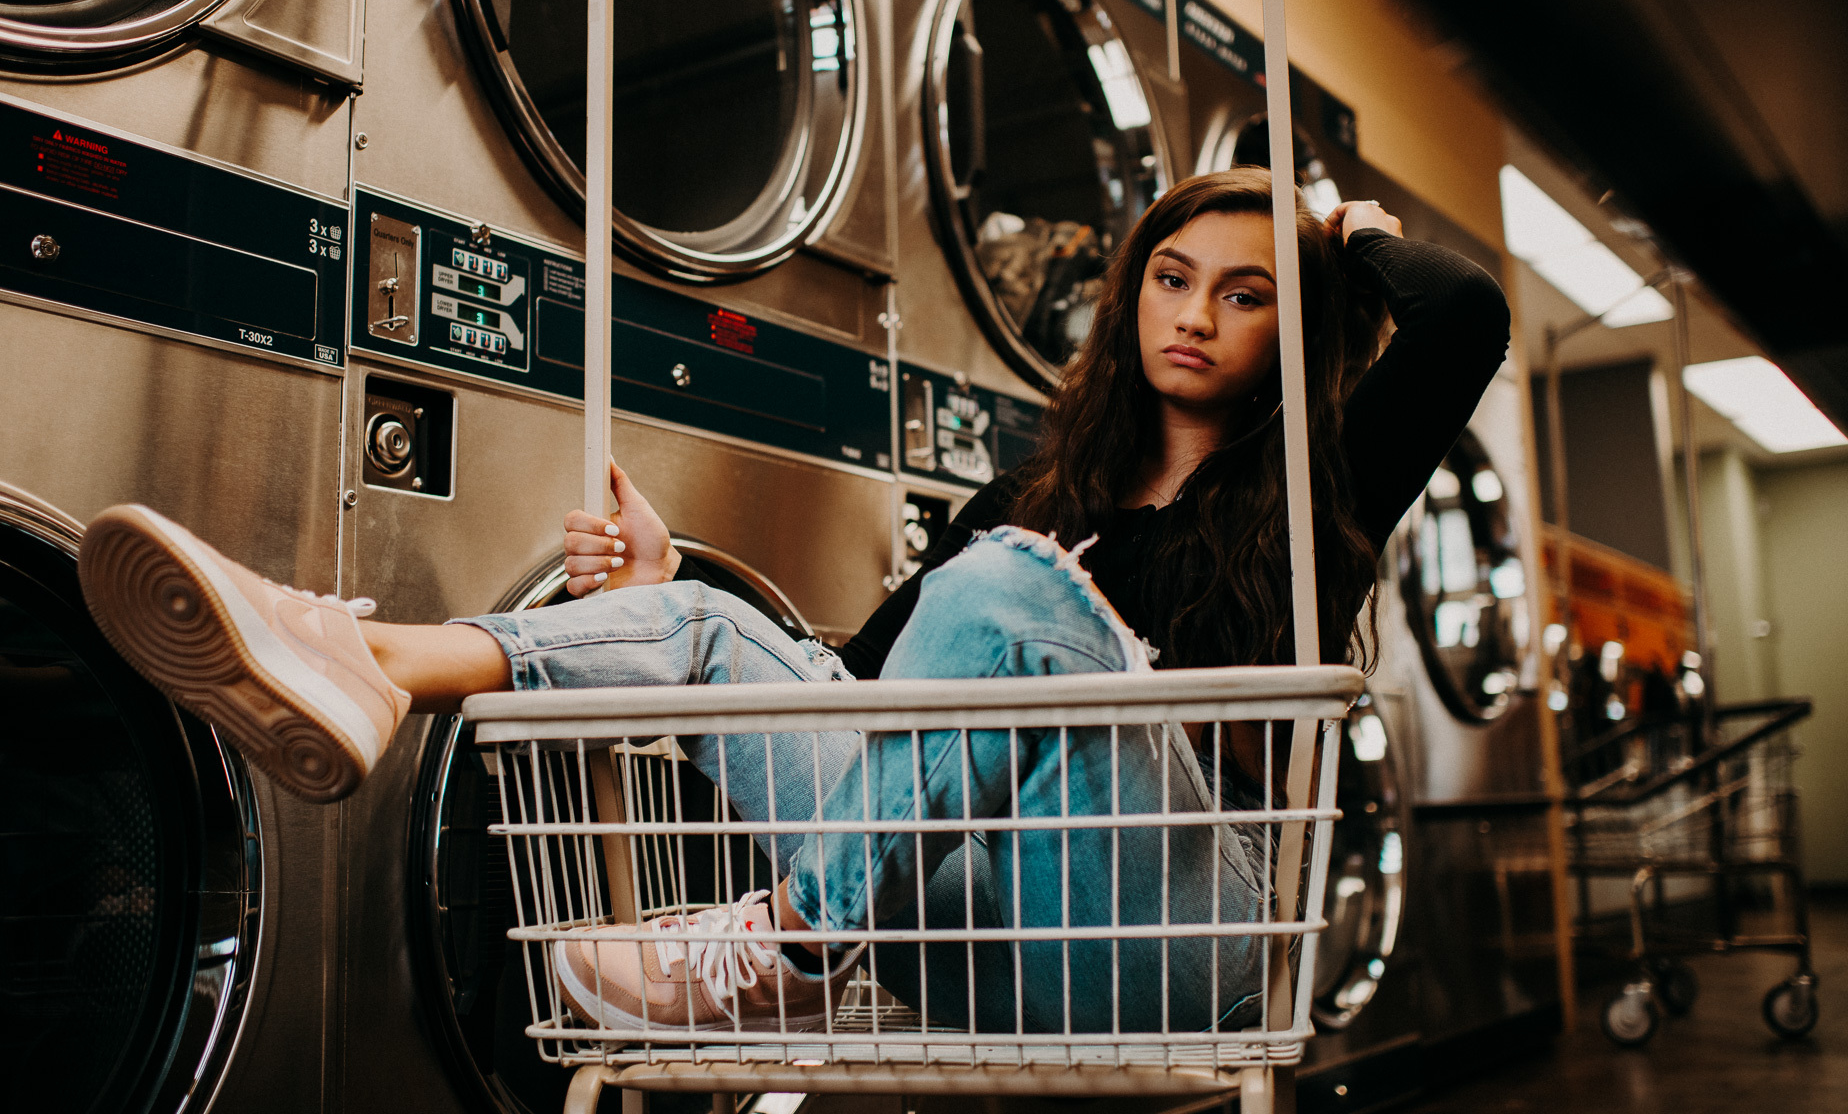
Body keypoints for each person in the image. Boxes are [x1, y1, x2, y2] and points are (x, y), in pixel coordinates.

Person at [76, 169, 1509, 1038]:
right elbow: (854, 695)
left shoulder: (1321, 500)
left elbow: (1464, 317)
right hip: (966, 932)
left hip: (1171, 937)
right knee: (719, 619)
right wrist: (662, 596)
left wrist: (1337, 230)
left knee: (1006, 592)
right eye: (1171, 278)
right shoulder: (1027, 501)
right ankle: (358, 654)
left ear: (1299, 327)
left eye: (1248, 295)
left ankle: (794, 943)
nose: (1191, 315)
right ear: (1128, 300)